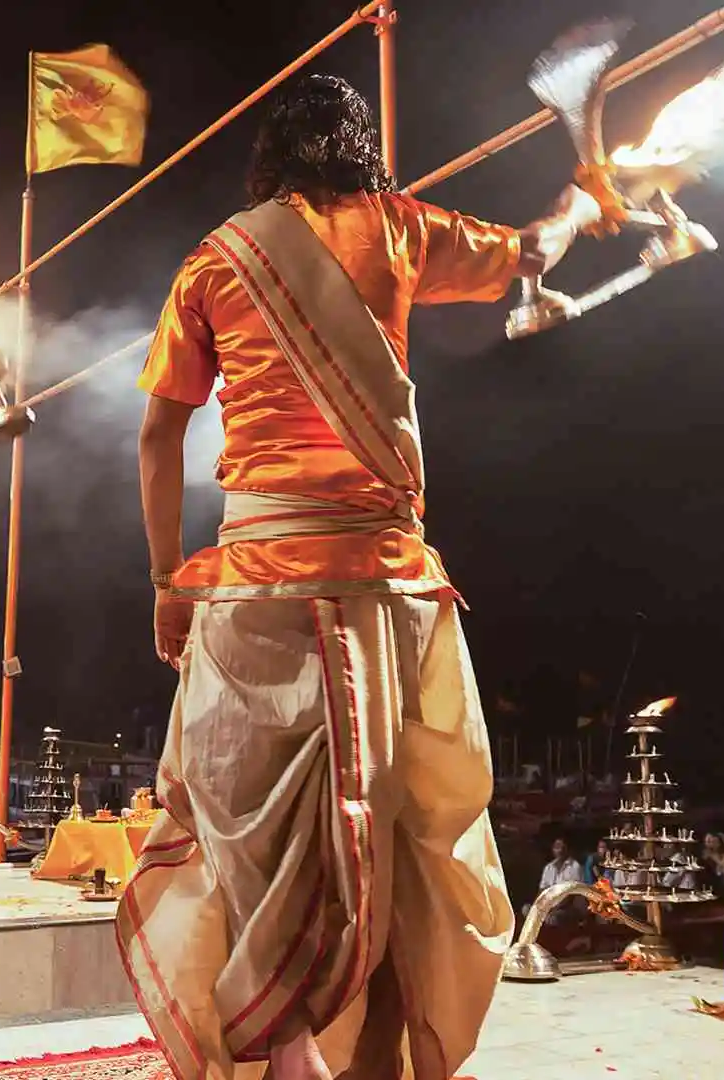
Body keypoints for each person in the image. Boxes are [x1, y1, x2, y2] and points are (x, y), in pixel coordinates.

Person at [117, 73, 603, 1080]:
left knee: (246, 833)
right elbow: (535, 250)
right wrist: (586, 194)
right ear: (358, 148)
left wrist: (168, 579)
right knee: (393, 835)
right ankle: (380, 1050)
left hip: (253, 591)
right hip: (385, 591)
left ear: (271, 158)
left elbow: (159, 434)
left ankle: (283, 1050)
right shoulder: (402, 228)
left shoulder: (217, 259)